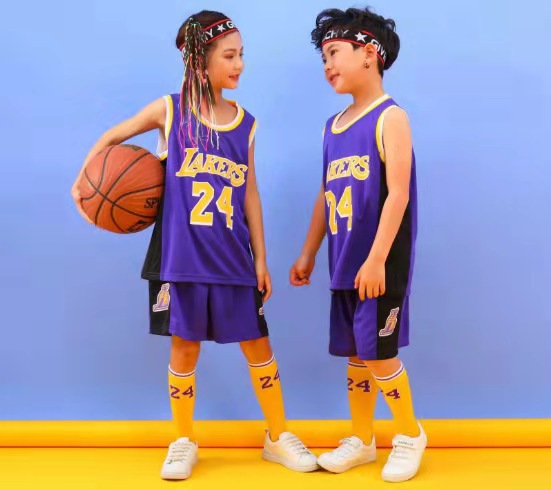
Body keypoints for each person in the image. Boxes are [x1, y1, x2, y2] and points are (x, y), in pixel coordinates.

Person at [72, 10, 318, 480]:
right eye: (230, 56)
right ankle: (184, 440)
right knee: (184, 351)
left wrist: (261, 259)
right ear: (200, 62)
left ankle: (278, 435)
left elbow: (250, 192)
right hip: (179, 260)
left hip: (232, 257)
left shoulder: (246, 124)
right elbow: (114, 137)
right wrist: (83, 184)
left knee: (259, 347)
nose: (240, 64)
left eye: (242, 55)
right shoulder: (170, 110)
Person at [289, 7, 427, 483]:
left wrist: (377, 259)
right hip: (344, 259)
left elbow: (399, 195)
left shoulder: (391, 117)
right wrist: (309, 251)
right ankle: (363, 439)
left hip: (380, 260)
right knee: (355, 352)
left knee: (379, 353)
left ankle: (409, 434)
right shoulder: (332, 126)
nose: (327, 65)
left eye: (334, 53)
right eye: (323, 58)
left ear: (369, 53)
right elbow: (325, 194)